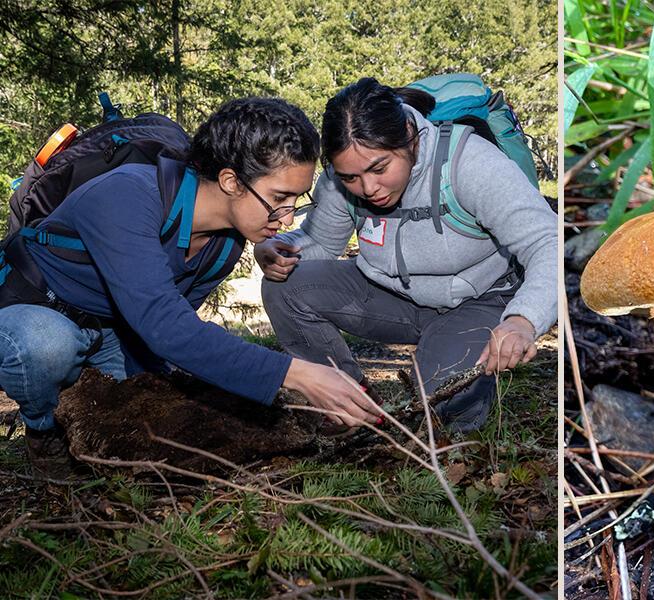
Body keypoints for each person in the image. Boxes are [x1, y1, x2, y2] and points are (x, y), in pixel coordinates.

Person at [0, 97, 384, 478]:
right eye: (279, 199)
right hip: (33, 308)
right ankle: (42, 431)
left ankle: (79, 394)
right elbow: (167, 329)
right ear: (231, 181)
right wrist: (299, 374)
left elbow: (175, 335)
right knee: (45, 344)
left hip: (114, 332)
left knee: (153, 415)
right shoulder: (126, 196)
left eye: (296, 202)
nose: (285, 219)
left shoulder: (223, 246)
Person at [255, 77, 557, 432]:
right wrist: (278, 250)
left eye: (380, 168)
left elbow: (546, 243)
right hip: (392, 296)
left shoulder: (469, 164)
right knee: (286, 288)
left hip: (482, 299)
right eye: (351, 177)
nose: (368, 188)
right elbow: (319, 242)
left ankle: (461, 400)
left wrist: (523, 320)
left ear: (410, 136)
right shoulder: (342, 178)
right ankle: (349, 402)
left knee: (439, 402)